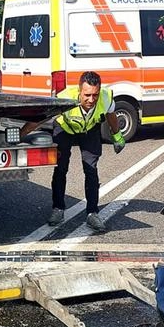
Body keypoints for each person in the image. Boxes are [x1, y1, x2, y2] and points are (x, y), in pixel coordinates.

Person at [23, 71, 125, 231]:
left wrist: (117, 136)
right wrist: (20, 135)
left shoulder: (105, 97)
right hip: (65, 128)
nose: (91, 100)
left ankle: (92, 213)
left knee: (91, 170)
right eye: (87, 95)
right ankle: (58, 209)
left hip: (89, 129)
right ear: (79, 91)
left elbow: (111, 115)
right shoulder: (65, 99)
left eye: (95, 95)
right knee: (61, 168)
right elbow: (40, 118)